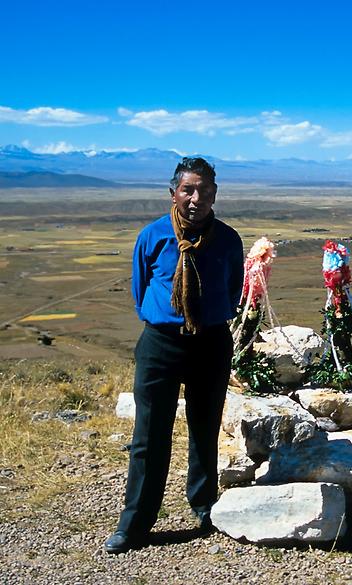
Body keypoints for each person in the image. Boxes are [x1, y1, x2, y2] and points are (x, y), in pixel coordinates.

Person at [104, 157, 244, 554]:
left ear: (215, 194)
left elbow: (233, 288)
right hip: (161, 344)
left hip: (211, 342)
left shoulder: (228, 239)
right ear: (173, 193)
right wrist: (168, 317)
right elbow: (140, 288)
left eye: (205, 190)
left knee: (205, 428)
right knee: (149, 435)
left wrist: (205, 317)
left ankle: (204, 507)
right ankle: (135, 523)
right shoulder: (153, 236)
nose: (196, 198)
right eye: (188, 190)